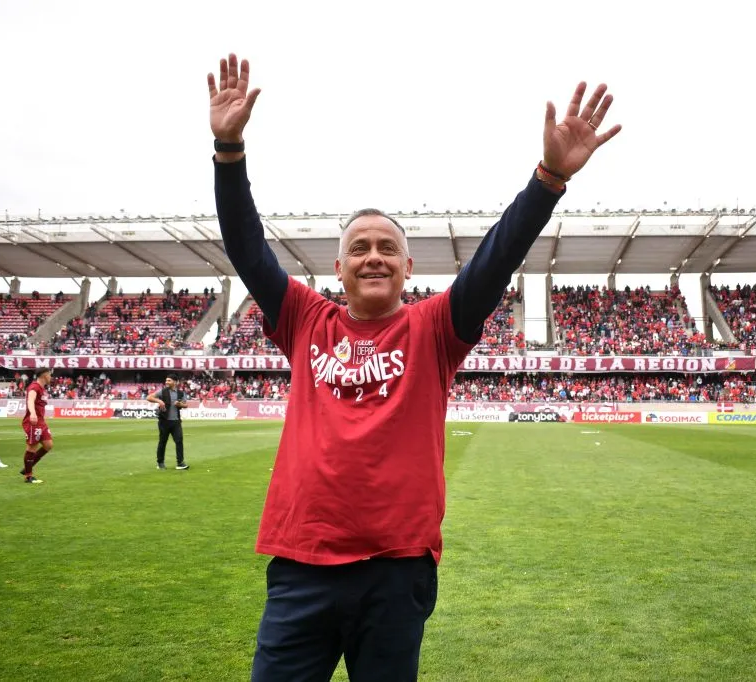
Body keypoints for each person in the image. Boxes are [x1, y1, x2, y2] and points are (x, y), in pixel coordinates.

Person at [208, 53, 622, 681]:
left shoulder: (434, 329)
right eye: (358, 249)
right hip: (302, 564)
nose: (373, 257)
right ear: (338, 268)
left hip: (396, 569)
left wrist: (548, 179)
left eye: (387, 249)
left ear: (408, 268)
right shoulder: (302, 317)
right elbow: (245, 246)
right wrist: (228, 148)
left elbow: (496, 257)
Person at [146, 373, 190, 470]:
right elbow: (149, 397)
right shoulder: (162, 391)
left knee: (179, 441)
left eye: (169, 380)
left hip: (176, 422)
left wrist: (180, 404)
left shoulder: (181, 393)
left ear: (175, 382)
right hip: (164, 421)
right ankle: (160, 463)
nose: (166, 382)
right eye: (166, 380)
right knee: (163, 442)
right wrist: (159, 401)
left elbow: (186, 405)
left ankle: (180, 463)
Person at [21, 368, 54, 484]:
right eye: (50, 375)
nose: (51, 377)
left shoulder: (42, 388)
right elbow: (30, 400)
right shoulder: (34, 387)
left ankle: (27, 467)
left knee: (48, 445)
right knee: (32, 448)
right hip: (33, 422)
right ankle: (28, 476)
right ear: (45, 375)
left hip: (41, 422)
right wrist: (33, 413)